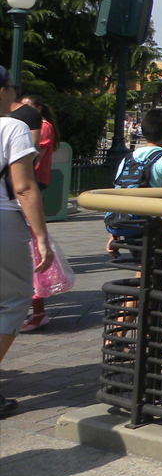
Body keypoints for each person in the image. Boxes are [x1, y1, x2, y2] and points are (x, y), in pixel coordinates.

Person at [0, 66, 53, 418]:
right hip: (3, 220)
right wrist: (41, 236)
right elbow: (23, 186)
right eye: (10, 86)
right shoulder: (11, 127)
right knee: (14, 301)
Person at [105, 108, 162, 279]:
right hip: (154, 224)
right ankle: (136, 297)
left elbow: (119, 192)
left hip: (129, 223)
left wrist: (113, 234)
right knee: (149, 273)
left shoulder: (128, 158)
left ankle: (135, 296)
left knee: (142, 269)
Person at [18, 96, 59, 333]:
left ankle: (37, 311)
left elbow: (35, 154)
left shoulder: (41, 125)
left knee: (31, 246)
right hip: (24, 185)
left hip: (31, 182)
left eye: (28, 104)